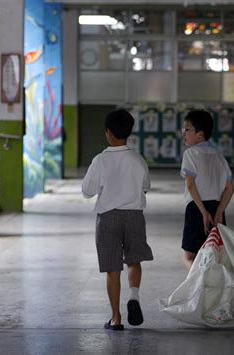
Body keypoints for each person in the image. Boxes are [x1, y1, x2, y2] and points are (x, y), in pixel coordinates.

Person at [82, 109, 153, 331]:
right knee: (134, 259)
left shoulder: (100, 160)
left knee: (113, 269)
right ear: (129, 132)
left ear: (107, 132)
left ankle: (116, 318)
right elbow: (145, 187)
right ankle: (134, 296)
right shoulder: (138, 159)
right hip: (134, 216)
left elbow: (87, 191)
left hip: (108, 218)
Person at [180, 110, 234, 270]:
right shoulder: (219, 156)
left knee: (189, 256)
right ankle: (211, 285)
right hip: (217, 209)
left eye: (187, 129)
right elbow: (230, 188)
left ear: (200, 134)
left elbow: (191, 185)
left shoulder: (190, 153)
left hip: (197, 209)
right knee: (213, 253)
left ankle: (199, 285)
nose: (184, 134)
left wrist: (203, 212)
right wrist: (219, 211)